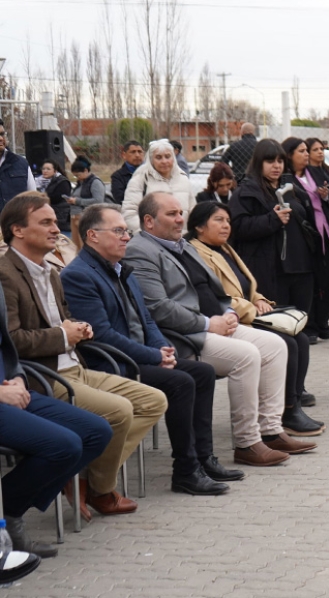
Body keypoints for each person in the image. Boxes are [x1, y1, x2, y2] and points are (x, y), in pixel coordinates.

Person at [0, 193, 169, 519]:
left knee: (153, 400)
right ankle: (97, 489)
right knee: (119, 412)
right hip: (44, 375)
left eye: (54, 221)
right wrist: (65, 335)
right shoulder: (6, 274)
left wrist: (77, 328)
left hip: (75, 365)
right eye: (46, 223)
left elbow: (61, 321)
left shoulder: (49, 271)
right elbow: (12, 342)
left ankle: (83, 480)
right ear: (17, 230)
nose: (57, 229)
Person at [62, 203, 246, 488]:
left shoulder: (122, 268)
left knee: (203, 372)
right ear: (92, 236)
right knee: (181, 381)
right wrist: (153, 355)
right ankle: (186, 471)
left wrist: (163, 349)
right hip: (111, 363)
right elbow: (102, 335)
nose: (126, 237)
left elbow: (147, 320)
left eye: (126, 230)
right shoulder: (79, 275)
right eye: (118, 231)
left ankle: (203, 457)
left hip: (140, 356)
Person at [124, 191, 312, 466]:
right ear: (149, 221)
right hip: (182, 336)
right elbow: (158, 307)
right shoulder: (141, 251)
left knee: (275, 345)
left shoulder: (181, 245)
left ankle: (271, 431)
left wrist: (227, 313)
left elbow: (213, 289)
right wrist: (208, 323)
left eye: (180, 213)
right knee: (246, 356)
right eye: (172, 214)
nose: (180, 220)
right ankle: (247, 443)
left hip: (213, 324)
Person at [187, 201, 324, 436]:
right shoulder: (198, 252)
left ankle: (291, 405)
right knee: (288, 343)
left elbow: (244, 284)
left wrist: (260, 299)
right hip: (230, 320)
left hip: (248, 312)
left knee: (299, 338)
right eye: (218, 220)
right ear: (199, 226)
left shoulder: (224, 248)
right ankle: (285, 413)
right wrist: (252, 309)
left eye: (228, 221)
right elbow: (219, 296)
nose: (226, 226)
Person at [0, 280, 112, 558]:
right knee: (64, 445)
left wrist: (16, 377)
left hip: (13, 388)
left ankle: (9, 506)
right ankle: (10, 516)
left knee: (96, 431)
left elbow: (5, 347)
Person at [229, 139, 314, 313]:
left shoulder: (291, 189)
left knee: (299, 320)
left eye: (280, 161)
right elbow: (238, 227)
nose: (276, 166)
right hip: (268, 270)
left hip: (299, 266)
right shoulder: (245, 193)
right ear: (258, 163)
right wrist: (272, 219)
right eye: (270, 161)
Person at [300, 138, 329, 344]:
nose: (319, 152)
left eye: (321, 149)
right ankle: (314, 324)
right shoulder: (303, 175)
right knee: (315, 282)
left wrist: (327, 197)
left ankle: (323, 321)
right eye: (314, 149)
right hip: (312, 232)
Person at [124, 139, 194, 233]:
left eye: (167, 156)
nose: (164, 161)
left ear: (173, 157)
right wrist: (146, 235)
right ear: (151, 160)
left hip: (181, 240)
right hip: (151, 241)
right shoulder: (140, 180)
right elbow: (129, 213)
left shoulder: (183, 179)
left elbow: (193, 211)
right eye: (158, 157)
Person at [68, 159, 105, 247]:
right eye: (75, 176)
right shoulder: (81, 183)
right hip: (74, 216)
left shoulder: (95, 182)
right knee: (76, 246)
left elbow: (98, 201)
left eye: (78, 175)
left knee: (84, 245)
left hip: (86, 217)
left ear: (85, 170)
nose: (77, 178)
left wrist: (77, 201)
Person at [0, 121, 36, 208]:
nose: (1, 138)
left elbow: (33, 198)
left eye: (2, 134)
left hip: (16, 221)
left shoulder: (21, 163)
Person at [39, 161, 74, 236]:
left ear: (55, 171)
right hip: (47, 215)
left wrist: (41, 196)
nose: (45, 171)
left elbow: (57, 198)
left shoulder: (62, 182)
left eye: (48, 169)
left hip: (61, 217)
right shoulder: (38, 182)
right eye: (43, 168)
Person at [109, 140, 145, 205]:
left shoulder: (151, 173)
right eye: (133, 152)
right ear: (124, 155)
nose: (137, 155)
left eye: (140, 152)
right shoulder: (118, 177)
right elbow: (120, 199)